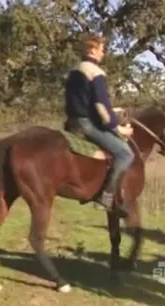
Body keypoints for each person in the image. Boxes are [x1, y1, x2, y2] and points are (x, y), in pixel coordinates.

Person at [63, 34, 135, 214]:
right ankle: (106, 196)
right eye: (102, 50)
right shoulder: (96, 73)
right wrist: (119, 128)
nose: (104, 54)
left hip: (72, 121)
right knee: (125, 154)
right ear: (93, 50)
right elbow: (101, 106)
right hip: (86, 124)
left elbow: (83, 100)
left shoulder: (74, 70)